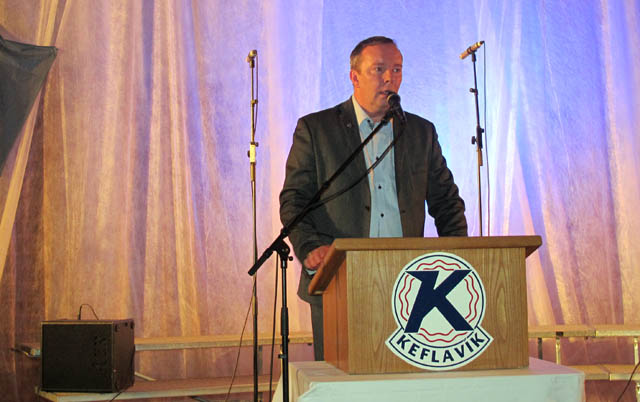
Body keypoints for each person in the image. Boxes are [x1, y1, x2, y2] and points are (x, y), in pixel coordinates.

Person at [279, 36, 468, 361]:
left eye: (397, 69)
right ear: (354, 76)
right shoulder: (317, 129)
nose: (389, 78)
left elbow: (447, 202)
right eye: (379, 69)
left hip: (412, 286)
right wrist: (309, 247)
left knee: (405, 378)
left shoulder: (420, 132)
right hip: (340, 279)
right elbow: (295, 200)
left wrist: (459, 259)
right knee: (341, 380)